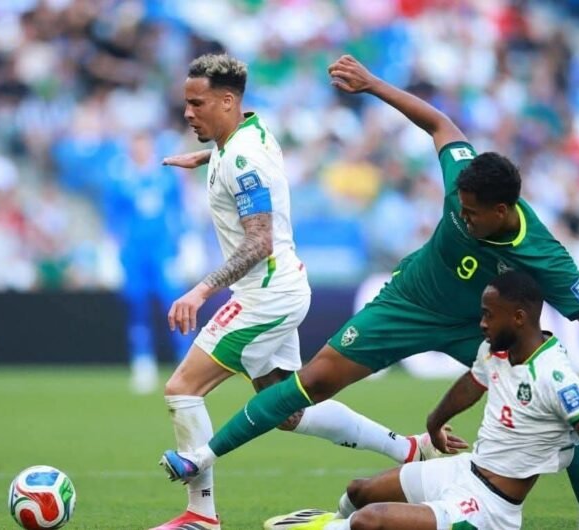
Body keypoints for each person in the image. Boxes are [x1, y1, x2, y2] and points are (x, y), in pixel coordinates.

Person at [161, 55, 579, 530]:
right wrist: (372, 85)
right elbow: (439, 124)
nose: (462, 217)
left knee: (556, 404)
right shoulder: (464, 180)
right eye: (460, 208)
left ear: (503, 211)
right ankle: (387, 456)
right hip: (406, 304)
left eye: (472, 214)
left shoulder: (542, 252)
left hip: (473, 326)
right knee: (314, 381)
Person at [150, 53, 452, 530]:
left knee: (182, 388)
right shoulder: (249, 133)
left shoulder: (242, 158)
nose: (188, 113)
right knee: (286, 408)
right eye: (186, 103)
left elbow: (260, 241)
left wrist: (200, 291)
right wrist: (208, 158)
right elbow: (244, 158)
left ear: (227, 102)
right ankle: (409, 448)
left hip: (264, 296)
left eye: (197, 104)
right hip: (282, 286)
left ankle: (200, 515)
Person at [264, 272, 579, 530]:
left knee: (369, 521)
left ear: (519, 317)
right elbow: (471, 383)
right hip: (465, 470)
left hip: (489, 508)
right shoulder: (496, 349)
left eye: (488, 315)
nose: (481, 323)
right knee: (359, 491)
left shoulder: (555, 378)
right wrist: (434, 423)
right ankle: (332, 521)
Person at [105, 131, 194, 393]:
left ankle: (188, 362)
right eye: (137, 146)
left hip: (164, 251)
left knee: (175, 303)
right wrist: (110, 250)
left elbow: (180, 210)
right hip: (133, 253)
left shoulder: (167, 177)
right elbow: (113, 218)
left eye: (145, 146)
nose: (141, 151)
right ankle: (142, 362)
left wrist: (187, 243)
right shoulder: (119, 179)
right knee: (137, 306)